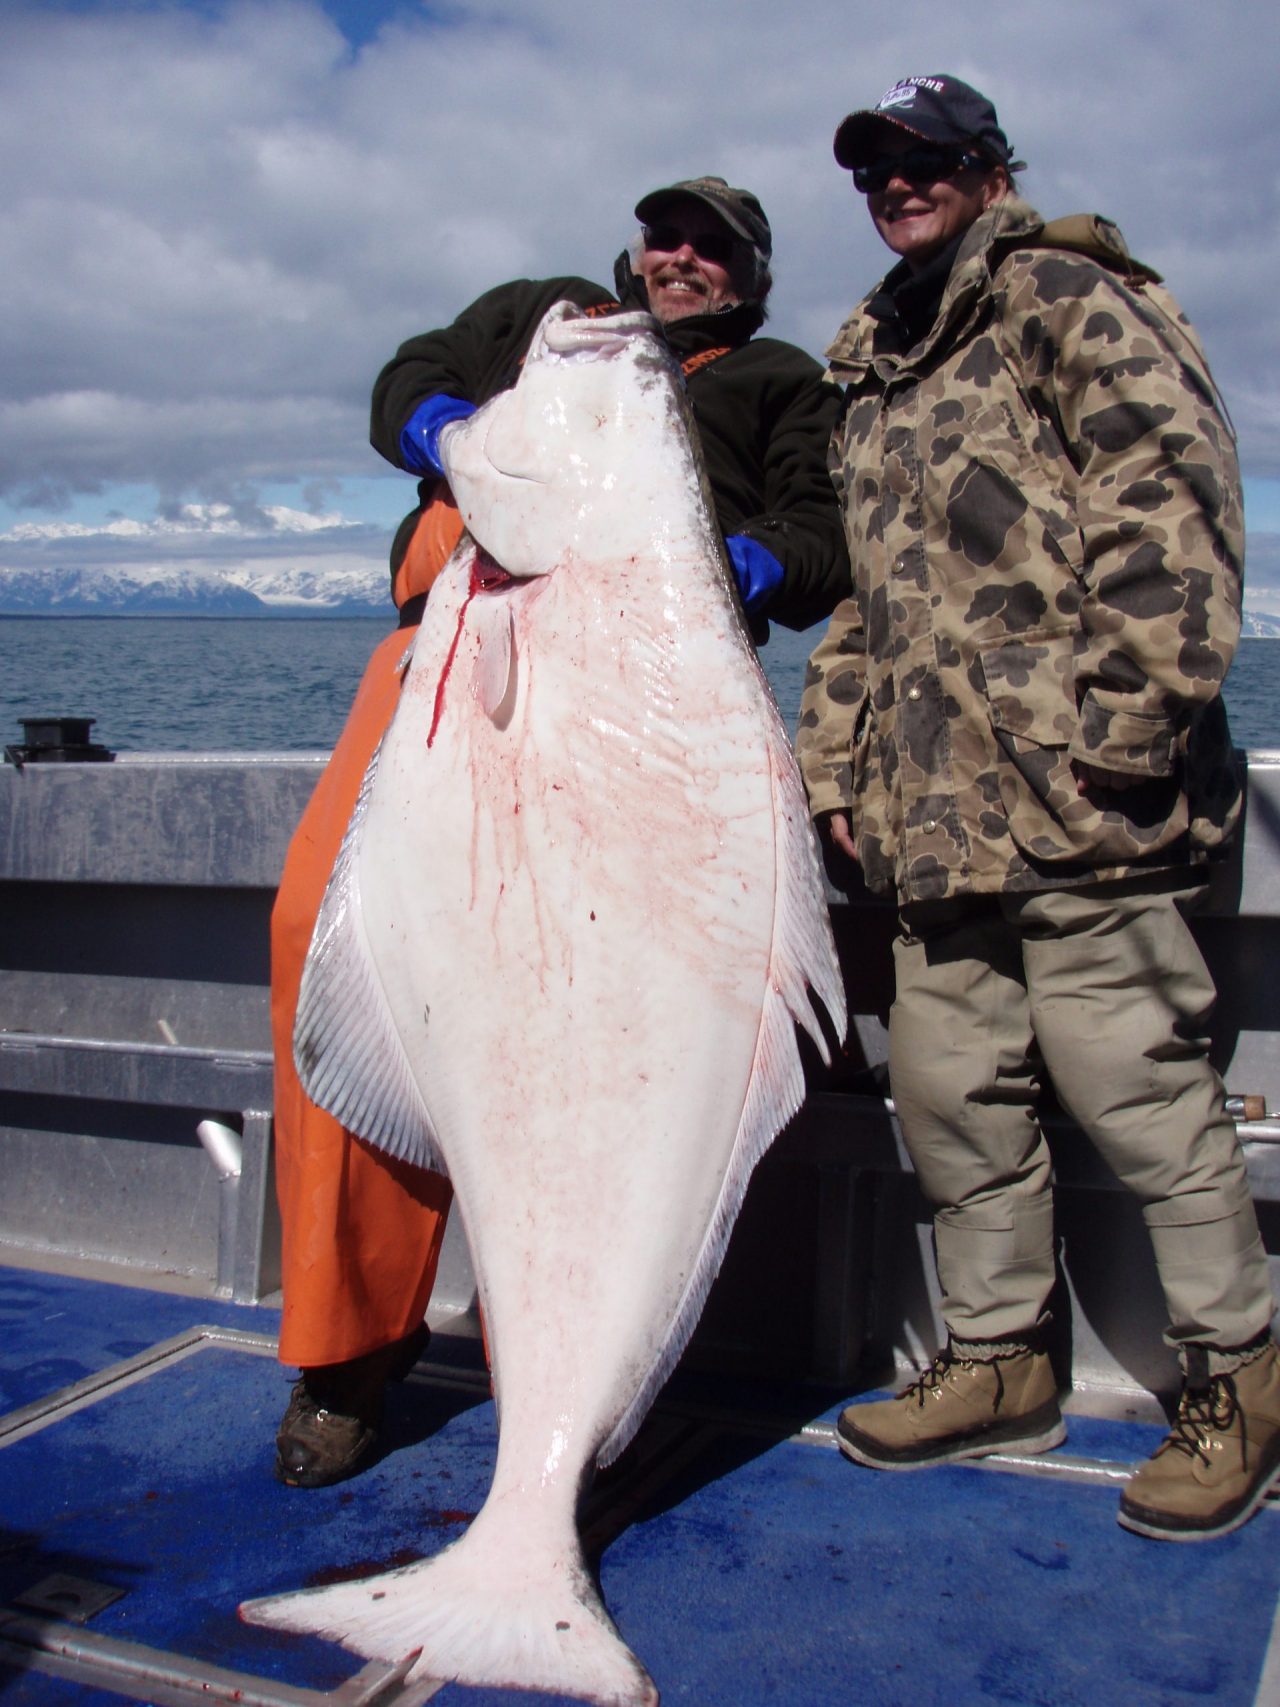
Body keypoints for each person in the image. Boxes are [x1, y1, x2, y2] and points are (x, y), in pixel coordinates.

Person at [270, 175, 851, 1487]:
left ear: (751, 275)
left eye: (716, 249)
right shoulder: (550, 317)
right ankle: (348, 1351)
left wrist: (746, 562)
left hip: (649, 709)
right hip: (450, 678)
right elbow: (407, 377)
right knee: (328, 946)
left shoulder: (778, 380)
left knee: (617, 1042)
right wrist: (436, 424)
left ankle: (574, 1395)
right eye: (668, 236)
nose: (683, 260)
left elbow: (827, 530)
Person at [798, 74, 1280, 1542]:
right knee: (950, 1099)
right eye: (875, 163)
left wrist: (1126, 732)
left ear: (989, 169)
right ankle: (1001, 1362)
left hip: (1087, 802)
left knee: (1139, 1096)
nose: (898, 180)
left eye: (926, 157)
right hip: (935, 822)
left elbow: (1175, 499)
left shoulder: (1067, 291)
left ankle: (1242, 1383)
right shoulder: (880, 364)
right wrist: (834, 763)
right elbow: (872, 600)